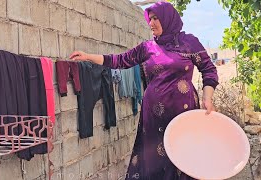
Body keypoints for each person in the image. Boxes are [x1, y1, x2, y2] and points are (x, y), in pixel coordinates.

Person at [70, 1, 218, 179]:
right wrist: (88, 57)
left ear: (168, 18)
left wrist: (207, 97)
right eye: (150, 18)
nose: (151, 23)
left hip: (183, 114)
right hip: (153, 117)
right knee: (154, 160)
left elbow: (208, 70)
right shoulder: (148, 47)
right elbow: (120, 60)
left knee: (183, 158)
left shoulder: (189, 43)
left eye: (156, 18)